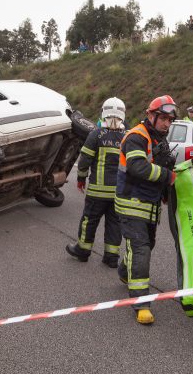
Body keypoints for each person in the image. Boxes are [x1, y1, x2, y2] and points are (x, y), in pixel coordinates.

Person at [115, 95, 178, 325]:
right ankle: (141, 303)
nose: (166, 124)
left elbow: (160, 165)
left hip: (149, 206)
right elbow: (138, 167)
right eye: (163, 118)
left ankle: (124, 271)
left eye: (170, 120)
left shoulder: (159, 139)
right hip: (131, 203)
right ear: (150, 115)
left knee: (144, 246)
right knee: (141, 248)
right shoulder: (136, 136)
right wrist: (167, 176)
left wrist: (163, 193)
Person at [66, 98, 126, 268]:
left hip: (97, 192)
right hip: (118, 193)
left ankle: (83, 251)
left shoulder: (96, 134)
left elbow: (84, 159)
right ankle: (111, 257)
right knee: (115, 224)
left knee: (89, 220)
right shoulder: (127, 136)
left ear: (103, 112)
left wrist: (80, 178)